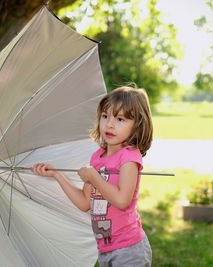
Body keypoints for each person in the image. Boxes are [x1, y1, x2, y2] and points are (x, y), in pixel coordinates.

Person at [32, 85, 153, 266]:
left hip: (129, 249)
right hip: (105, 249)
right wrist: (57, 175)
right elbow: (84, 203)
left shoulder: (129, 156)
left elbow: (122, 200)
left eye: (120, 119)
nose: (109, 124)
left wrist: (94, 177)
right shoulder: (97, 158)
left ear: (137, 127)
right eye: (105, 116)